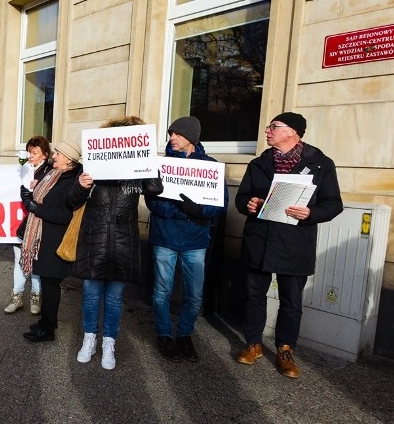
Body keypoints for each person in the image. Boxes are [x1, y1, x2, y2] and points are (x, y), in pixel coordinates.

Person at [235, 112, 342, 378]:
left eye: (274, 126)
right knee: (253, 296)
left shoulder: (320, 164)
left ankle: (285, 350)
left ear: (292, 132)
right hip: (260, 240)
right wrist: (247, 204)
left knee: (291, 301)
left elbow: (333, 203)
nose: (267, 131)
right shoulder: (259, 163)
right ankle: (253, 344)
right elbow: (242, 197)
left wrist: (311, 214)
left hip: (295, 244)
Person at [70, 116, 163, 370]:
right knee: (91, 294)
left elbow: (155, 188)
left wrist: (148, 158)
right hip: (95, 236)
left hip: (123, 238)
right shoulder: (91, 162)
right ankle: (89, 339)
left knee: (113, 297)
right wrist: (80, 185)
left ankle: (109, 342)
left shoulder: (139, 167)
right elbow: (73, 200)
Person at [145, 116, 227, 363]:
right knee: (162, 291)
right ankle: (163, 334)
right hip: (165, 238)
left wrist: (200, 212)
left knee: (194, 295)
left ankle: (184, 335)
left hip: (195, 240)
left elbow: (220, 203)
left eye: (176, 134)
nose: (171, 138)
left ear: (191, 137)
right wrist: (183, 210)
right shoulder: (162, 165)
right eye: (170, 133)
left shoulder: (210, 166)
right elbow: (153, 202)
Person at [20, 140, 83, 343]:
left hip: (55, 239)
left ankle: (47, 329)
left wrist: (35, 208)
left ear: (69, 160)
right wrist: (30, 195)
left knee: (50, 284)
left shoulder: (71, 181)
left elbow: (64, 215)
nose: (54, 156)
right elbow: (42, 196)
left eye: (58, 153)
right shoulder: (55, 174)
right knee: (48, 283)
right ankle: (47, 322)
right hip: (44, 237)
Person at [5, 135, 52, 315]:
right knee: (19, 261)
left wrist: (38, 187)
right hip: (21, 224)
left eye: (35, 152)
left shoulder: (49, 173)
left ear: (44, 155)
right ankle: (17, 297)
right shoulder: (22, 169)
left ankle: (35, 296)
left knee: (35, 262)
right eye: (29, 152)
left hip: (38, 225)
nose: (31, 155)